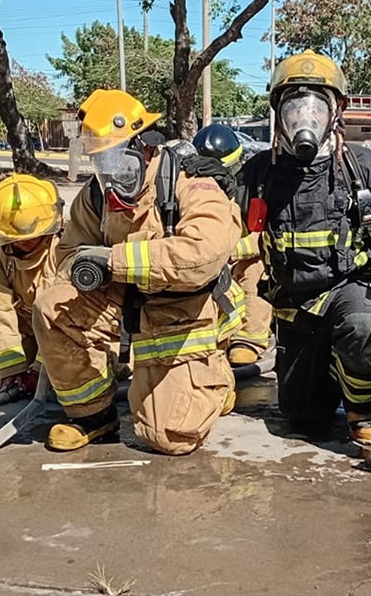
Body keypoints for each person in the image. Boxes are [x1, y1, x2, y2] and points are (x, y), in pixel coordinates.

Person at [30, 89, 244, 455]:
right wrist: (84, 268)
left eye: (116, 160)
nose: (110, 175)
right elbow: (66, 254)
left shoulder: (190, 183)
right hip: (124, 297)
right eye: (101, 163)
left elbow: (202, 256)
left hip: (183, 307)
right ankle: (93, 417)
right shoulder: (97, 196)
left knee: (167, 436)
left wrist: (114, 261)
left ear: (144, 147)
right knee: (52, 307)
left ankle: (215, 376)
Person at [238, 50, 371, 446]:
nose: (306, 118)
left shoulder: (360, 166)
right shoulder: (260, 172)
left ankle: (362, 409)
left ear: (336, 112)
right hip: (293, 304)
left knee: (362, 325)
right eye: (295, 105)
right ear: (278, 113)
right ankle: (329, 368)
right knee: (302, 416)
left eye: (318, 106)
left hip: (347, 289)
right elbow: (217, 230)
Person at [0, 174, 63, 393]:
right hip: (24, 328)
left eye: (32, 237)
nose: (24, 243)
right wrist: (11, 370)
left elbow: (69, 314)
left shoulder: (68, 242)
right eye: (14, 238)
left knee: (85, 368)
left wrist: (40, 370)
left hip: (69, 333)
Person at [193, 123, 272, 367]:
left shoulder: (250, 188)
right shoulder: (187, 190)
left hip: (237, 257)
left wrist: (230, 252)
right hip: (202, 258)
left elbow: (265, 238)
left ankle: (248, 340)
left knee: (253, 269)